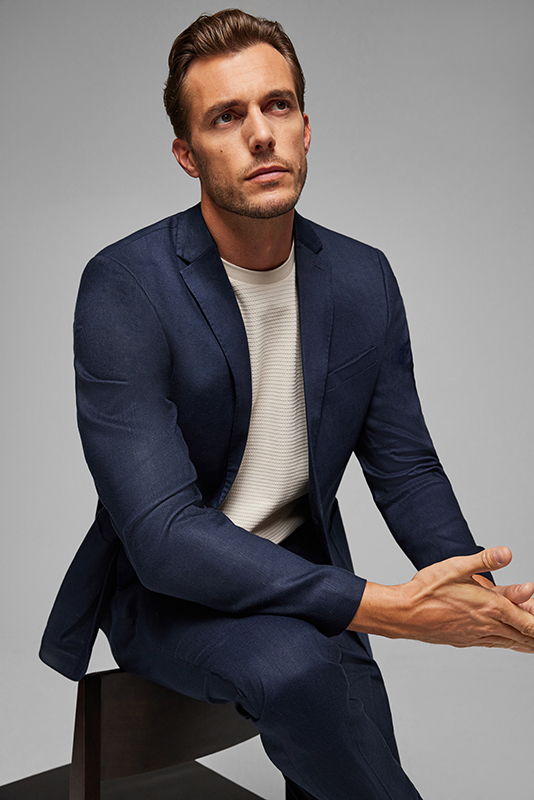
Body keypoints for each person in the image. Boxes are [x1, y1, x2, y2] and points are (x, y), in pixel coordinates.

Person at [40, 9, 534, 799]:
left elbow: (405, 467)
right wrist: (385, 608)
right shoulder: (125, 288)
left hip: (308, 580)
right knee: (301, 668)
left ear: (307, 128)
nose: (261, 134)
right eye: (225, 117)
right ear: (186, 154)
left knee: (339, 724)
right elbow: (164, 538)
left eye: (278, 105)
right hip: (169, 600)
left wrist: (478, 595)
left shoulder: (362, 278)